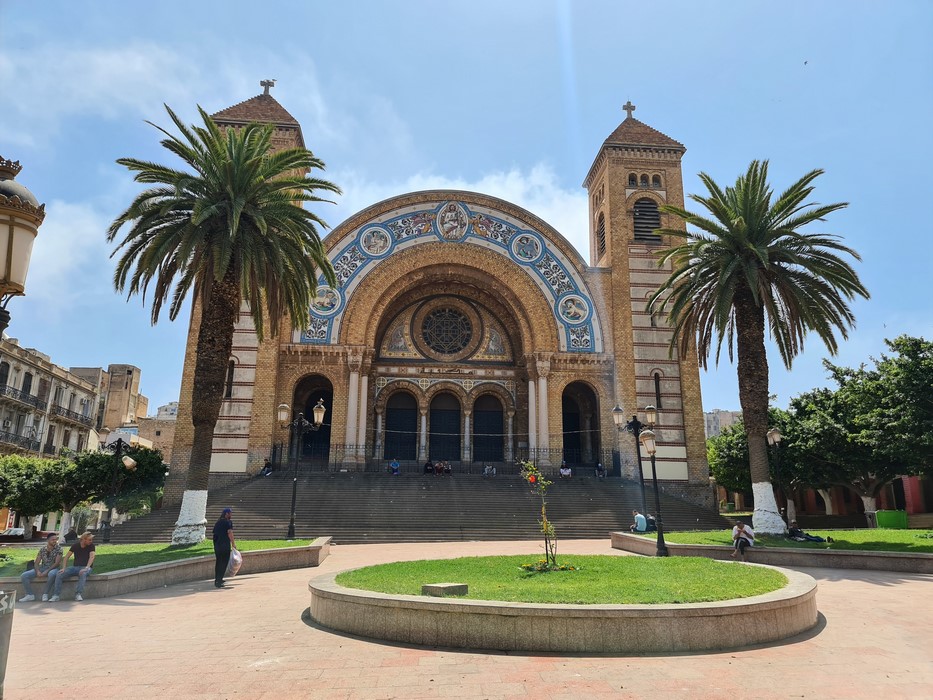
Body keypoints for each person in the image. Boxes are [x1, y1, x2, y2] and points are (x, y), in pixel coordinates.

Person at [51, 532, 95, 602]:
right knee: (59, 574)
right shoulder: (75, 546)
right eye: (89, 540)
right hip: (75, 567)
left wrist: (86, 568)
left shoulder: (91, 546)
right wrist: (64, 568)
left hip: (86, 567)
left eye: (91, 540)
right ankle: (56, 595)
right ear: (84, 539)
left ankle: (78, 594)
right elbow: (66, 557)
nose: (91, 541)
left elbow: (92, 557)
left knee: (83, 574)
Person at [19, 533, 62, 602]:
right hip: (42, 567)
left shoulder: (59, 549)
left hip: (53, 568)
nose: (55, 541)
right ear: (48, 540)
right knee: (24, 575)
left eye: (56, 539)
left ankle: (45, 593)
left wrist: (46, 571)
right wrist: (38, 571)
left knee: (52, 574)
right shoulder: (42, 549)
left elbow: (56, 563)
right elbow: (36, 563)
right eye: (53, 539)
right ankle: (30, 595)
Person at [212, 507, 235, 589]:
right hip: (225, 545)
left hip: (217, 546)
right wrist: (233, 544)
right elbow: (230, 533)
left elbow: (214, 534)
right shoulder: (228, 522)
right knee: (223, 563)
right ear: (226, 514)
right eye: (230, 513)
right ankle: (219, 581)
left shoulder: (218, 522)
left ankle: (218, 579)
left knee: (219, 562)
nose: (231, 514)